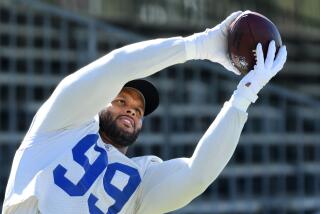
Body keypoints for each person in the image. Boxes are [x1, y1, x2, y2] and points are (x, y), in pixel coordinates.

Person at [2, 10, 287, 214]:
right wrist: (196, 46)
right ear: (98, 101)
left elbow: (196, 175)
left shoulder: (140, 179)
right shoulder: (59, 127)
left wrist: (243, 96)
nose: (131, 110)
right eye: (121, 101)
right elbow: (115, 68)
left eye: (138, 109)